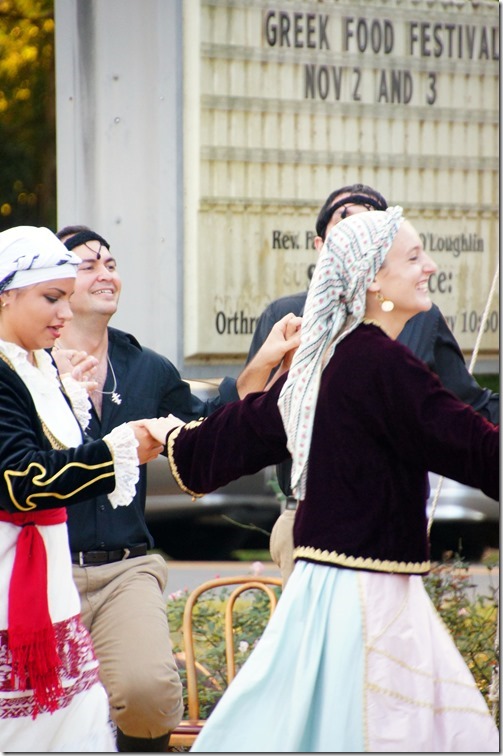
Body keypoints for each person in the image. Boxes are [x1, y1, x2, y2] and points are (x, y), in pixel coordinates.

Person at [145, 208, 499, 752]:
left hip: (325, 589)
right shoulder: (381, 364)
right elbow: (476, 451)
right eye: (413, 256)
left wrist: (176, 442)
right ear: (373, 279)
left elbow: (242, 432)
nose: (429, 266)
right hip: (368, 600)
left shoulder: (326, 359)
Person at [50, 224, 300, 752]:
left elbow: (211, 431)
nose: (105, 273)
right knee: (45, 713)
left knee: (149, 697)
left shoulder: (147, 369)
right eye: (87, 264)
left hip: (125, 567)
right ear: (53, 284)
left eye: (111, 263)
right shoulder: (24, 369)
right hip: (43, 565)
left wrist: (265, 364)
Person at [246, 183, 499, 585]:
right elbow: (250, 416)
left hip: (394, 530)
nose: (429, 267)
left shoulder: (421, 322)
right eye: (346, 229)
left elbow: (469, 410)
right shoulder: (289, 319)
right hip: (311, 523)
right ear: (324, 246)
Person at [0, 226, 164, 752]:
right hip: (11, 574)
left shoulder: (36, 364)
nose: (65, 315)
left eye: (67, 301)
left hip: (47, 577)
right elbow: (20, 481)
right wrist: (118, 452)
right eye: (52, 298)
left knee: (73, 720)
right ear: (6, 294)